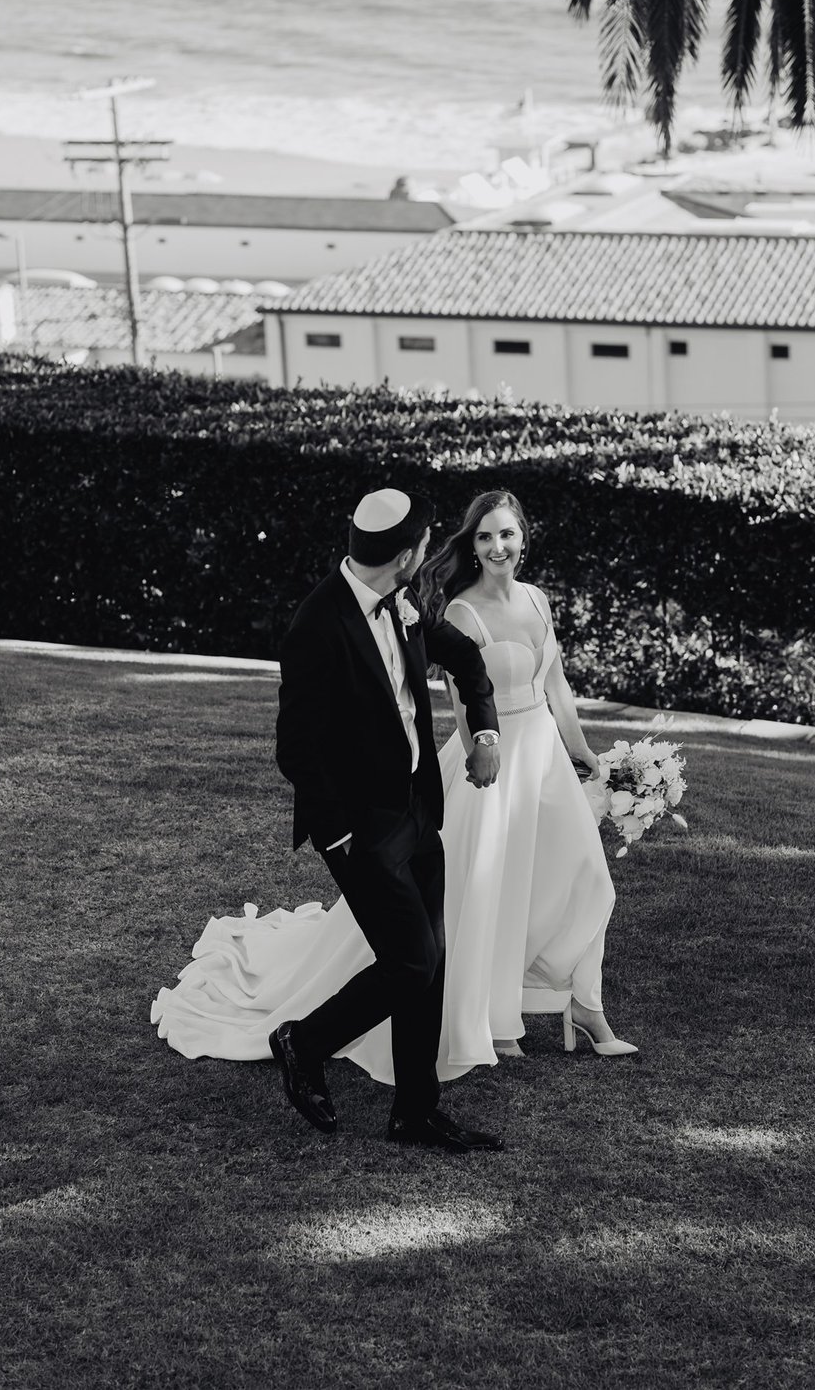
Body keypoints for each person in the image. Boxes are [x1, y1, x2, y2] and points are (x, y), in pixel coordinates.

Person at [152, 488, 505, 1155]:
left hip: (419, 809)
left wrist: (484, 732)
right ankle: (302, 1041)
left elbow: (464, 657)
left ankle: (416, 1112)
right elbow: (298, 748)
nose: (428, 552)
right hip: (361, 830)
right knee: (412, 961)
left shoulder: (403, 601)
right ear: (404, 555)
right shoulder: (317, 624)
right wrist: (340, 835)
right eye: (425, 544)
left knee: (429, 962)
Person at [419, 489, 637, 1065]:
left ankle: (582, 1003)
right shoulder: (462, 611)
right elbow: (463, 701)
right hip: (493, 763)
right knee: (499, 891)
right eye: (485, 536)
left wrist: (582, 748)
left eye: (506, 534)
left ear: (523, 539)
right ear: (472, 544)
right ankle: (497, 1021)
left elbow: (556, 683)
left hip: (545, 758)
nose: (497, 546)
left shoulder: (538, 600)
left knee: (588, 878)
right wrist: (477, 759)